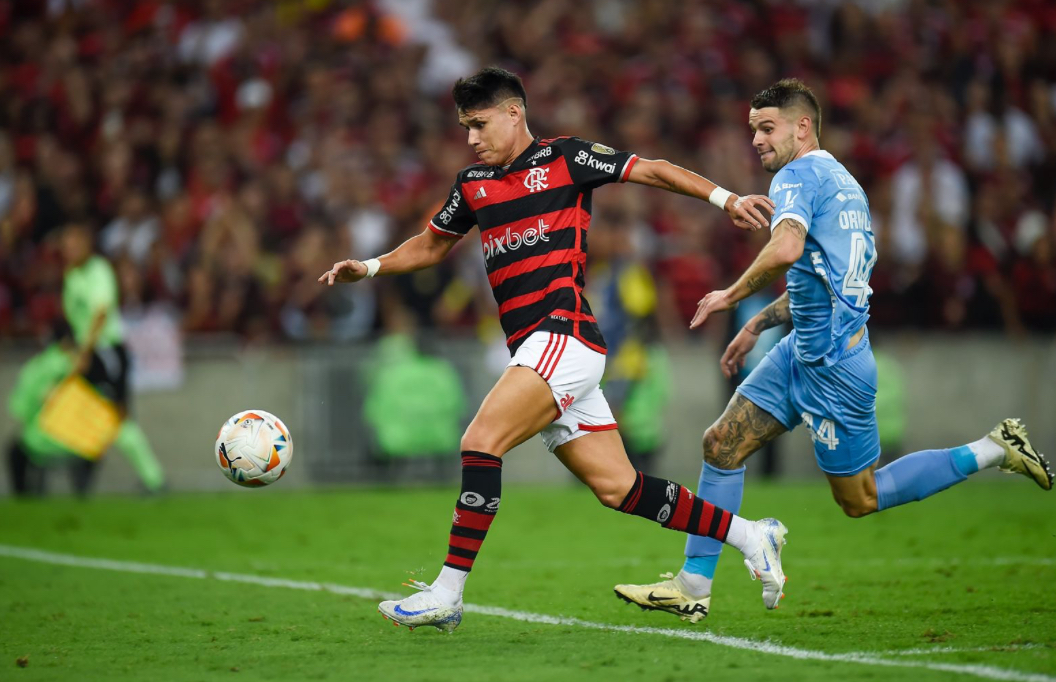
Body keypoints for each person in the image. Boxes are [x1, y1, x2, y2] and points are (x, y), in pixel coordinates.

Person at [320, 66, 784, 632]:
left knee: (479, 442)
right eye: (466, 127)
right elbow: (432, 244)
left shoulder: (566, 158)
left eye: (479, 123)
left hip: (561, 336)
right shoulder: (472, 184)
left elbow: (652, 169)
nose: (471, 138)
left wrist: (725, 197)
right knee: (620, 488)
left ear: (514, 112)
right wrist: (369, 267)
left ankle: (447, 592)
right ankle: (751, 535)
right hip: (543, 350)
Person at [613, 79, 1053, 624]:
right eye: (752, 129)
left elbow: (788, 247)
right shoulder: (847, 186)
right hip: (801, 349)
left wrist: (732, 294)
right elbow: (822, 280)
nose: (756, 140)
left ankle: (995, 447)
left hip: (834, 370)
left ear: (803, 127)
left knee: (859, 499)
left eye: (767, 127)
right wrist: (759, 325)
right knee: (721, 445)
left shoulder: (798, 175)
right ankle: (694, 585)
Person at [60, 223, 166, 493]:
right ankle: (82, 483)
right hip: (87, 353)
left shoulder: (99, 271)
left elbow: (101, 314)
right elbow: (75, 319)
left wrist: (83, 352)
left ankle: (154, 479)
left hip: (106, 352)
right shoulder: (72, 276)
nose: (70, 249)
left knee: (118, 418)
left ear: (87, 244)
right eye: (66, 244)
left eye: (75, 243)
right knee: (87, 417)